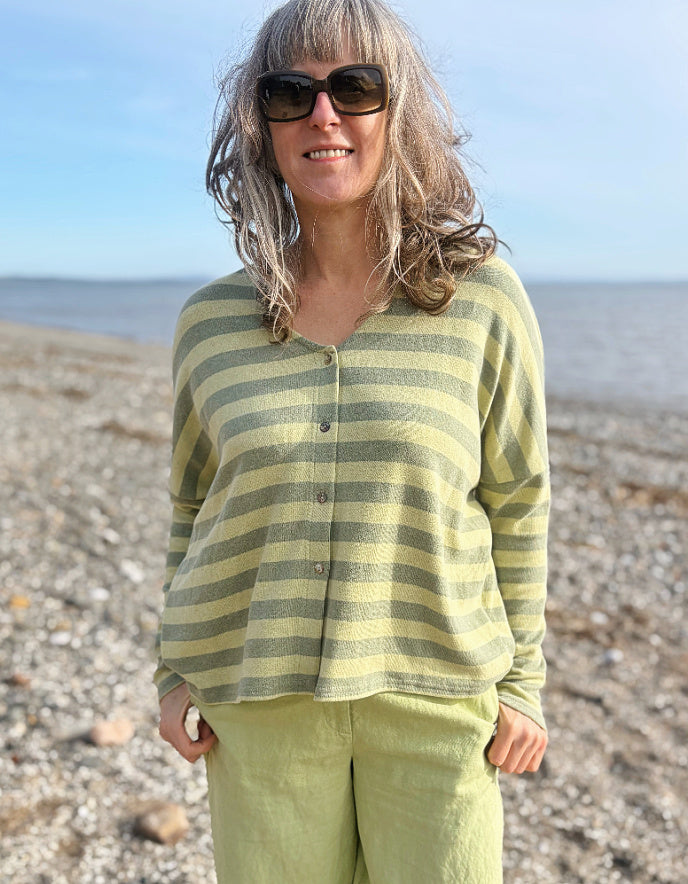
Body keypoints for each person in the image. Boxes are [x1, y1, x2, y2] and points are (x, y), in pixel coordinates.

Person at [155, 0, 550, 881]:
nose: (322, 115)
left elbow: (518, 499)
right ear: (260, 126)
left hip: (440, 706)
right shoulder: (210, 323)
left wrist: (522, 683)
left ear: (395, 109)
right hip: (258, 706)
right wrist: (173, 672)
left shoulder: (481, 299)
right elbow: (192, 503)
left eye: (354, 87)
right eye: (290, 93)